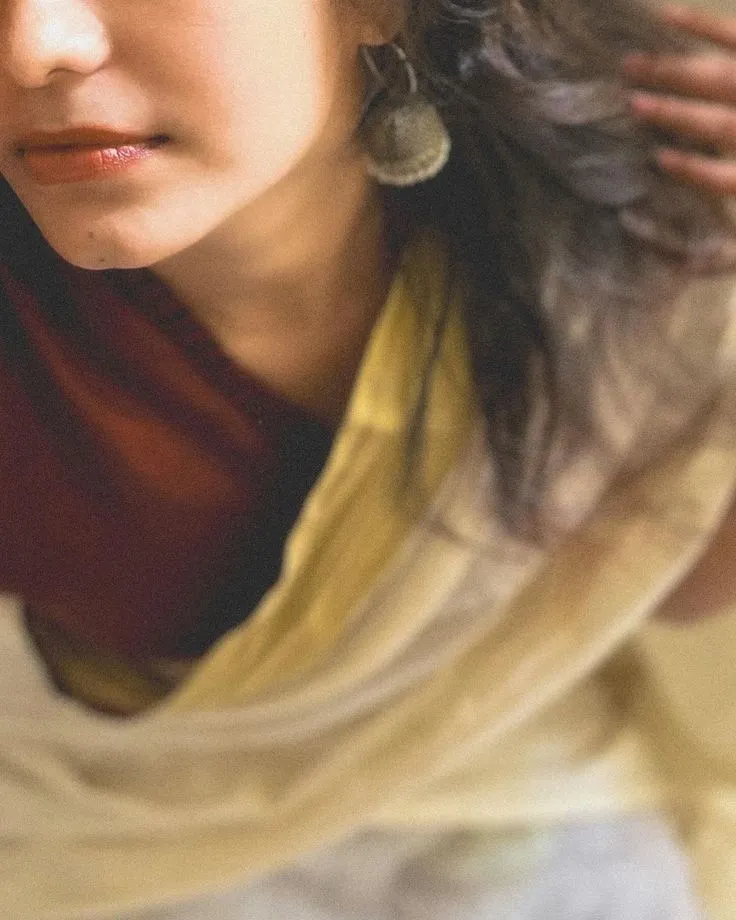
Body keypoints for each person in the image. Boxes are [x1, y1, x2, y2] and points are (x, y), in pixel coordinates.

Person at [1, 0, 736, 917]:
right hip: (86, 840)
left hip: (505, 783)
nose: (34, 48)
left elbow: (668, 579)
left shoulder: (622, 212)